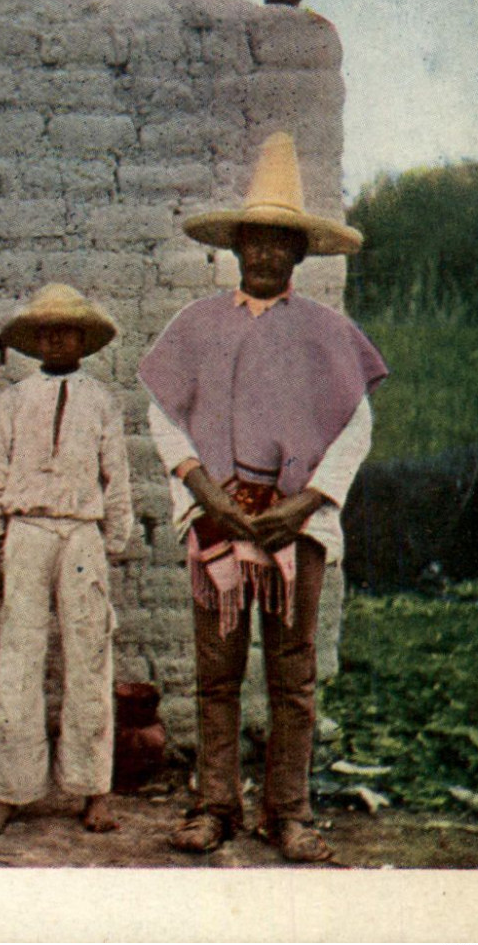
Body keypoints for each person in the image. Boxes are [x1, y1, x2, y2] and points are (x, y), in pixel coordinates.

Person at [139, 132, 388, 862]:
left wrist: (304, 503)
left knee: (292, 675)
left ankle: (289, 812)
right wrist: (200, 489)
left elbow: (354, 428)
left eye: (280, 243)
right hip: (217, 521)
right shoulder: (195, 326)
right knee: (216, 676)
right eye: (254, 241)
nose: (266, 255)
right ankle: (214, 803)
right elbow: (163, 414)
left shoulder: (326, 334)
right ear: (236, 247)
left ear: (299, 255)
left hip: (291, 530)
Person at [0, 284, 133, 837]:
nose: (58, 338)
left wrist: (114, 540)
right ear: (34, 339)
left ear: (84, 339)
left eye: (68, 329)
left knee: (88, 655)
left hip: (81, 534)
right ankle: (11, 789)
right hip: (27, 530)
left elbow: (117, 475)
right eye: (47, 330)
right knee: (19, 655)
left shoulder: (101, 400)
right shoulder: (14, 400)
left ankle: (92, 789)